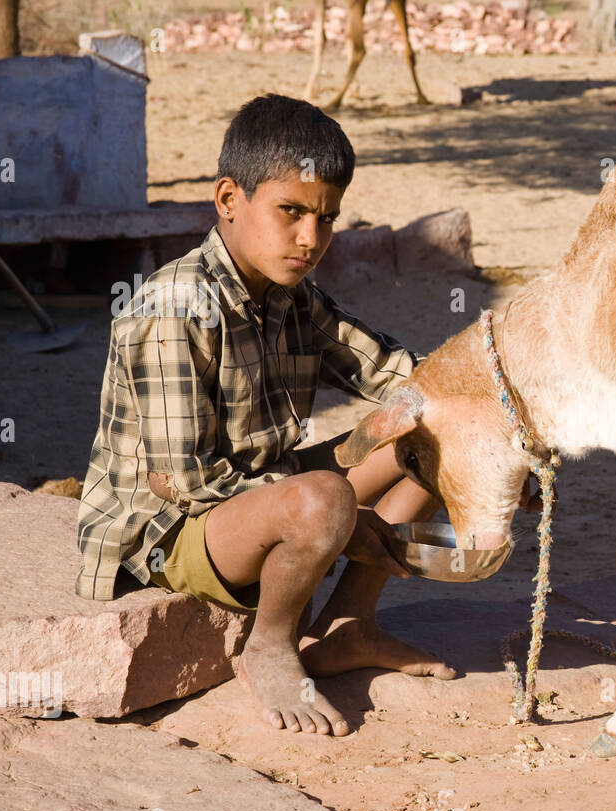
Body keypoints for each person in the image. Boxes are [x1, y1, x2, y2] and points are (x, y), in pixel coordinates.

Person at [76, 93, 469, 736]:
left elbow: (397, 375)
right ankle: (270, 646)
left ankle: (347, 628)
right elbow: (184, 481)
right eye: (291, 211)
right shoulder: (174, 308)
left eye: (327, 218)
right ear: (229, 200)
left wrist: (493, 429)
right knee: (322, 502)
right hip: (174, 530)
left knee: (427, 425)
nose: (311, 239)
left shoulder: (293, 296)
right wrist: (341, 519)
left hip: (265, 494)